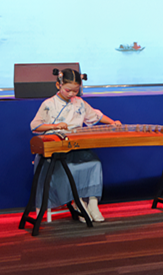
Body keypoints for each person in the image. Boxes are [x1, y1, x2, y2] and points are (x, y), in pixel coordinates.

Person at [30, 68, 122, 222]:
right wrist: (55, 126)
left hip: (76, 146)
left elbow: (95, 115)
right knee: (70, 169)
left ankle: (93, 203)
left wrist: (113, 122)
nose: (72, 94)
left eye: (76, 90)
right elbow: (35, 126)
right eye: (68, 90)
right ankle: (79, 203)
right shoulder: (49, 104)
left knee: (95, 163)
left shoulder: (79, 103)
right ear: (58, 85)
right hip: (57, 150)